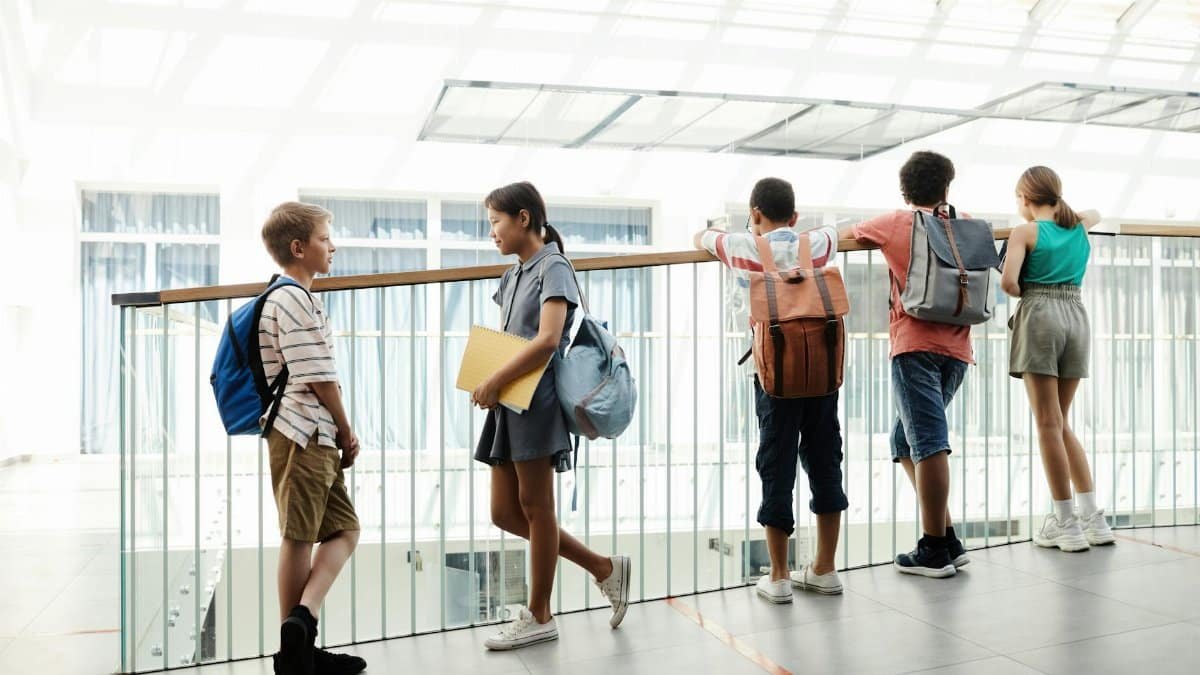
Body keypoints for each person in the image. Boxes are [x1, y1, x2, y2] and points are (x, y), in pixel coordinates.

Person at [472, 181, 630, 650]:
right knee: (505, 512)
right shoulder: (513, 274)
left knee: (538, 508)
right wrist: (487, 379)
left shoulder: (553, 266)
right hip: (508, 402)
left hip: (534, 400)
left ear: (524, 218)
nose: (493, 233)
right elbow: (509, 338)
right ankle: (605, 568)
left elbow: (546, 339)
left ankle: (540, 614)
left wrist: (496, 379)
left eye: (496, 223)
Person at [693, 177, 848, 602]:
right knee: (825, 460)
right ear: (795, 217)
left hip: (775, 378)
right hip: (821, 375)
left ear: (755, 214)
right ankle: (825, 568)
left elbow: (703, 237)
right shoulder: (817, 243)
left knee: (776, 466)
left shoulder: (744, 248)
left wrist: (741, 230)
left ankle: (778, 575)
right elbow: (842, 233)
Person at [839, 151, 972, 578]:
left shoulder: (896, 223)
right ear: (946, 188)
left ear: (904, 190)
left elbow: (844, 235)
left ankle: (933, 549)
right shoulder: (965, 222)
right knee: (903, 440)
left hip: (915, 346)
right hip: (959, 349)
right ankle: (947, 536)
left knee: (929, 441)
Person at [258, 202, 366, 675]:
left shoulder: (293, 296)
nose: (333, 246)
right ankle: (295, 655)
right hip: (304, 432)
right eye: (325, 238)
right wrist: (346, 430)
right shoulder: (292, 298)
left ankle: (301, 624)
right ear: (298, 247)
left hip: (307, 433)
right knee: (298, 536)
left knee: (345, 528)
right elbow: (320, 378)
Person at [1002, 165, 1113, 551]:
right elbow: (1094, 213)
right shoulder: (1079, 227)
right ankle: (1093, 517)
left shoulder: (1025, 232)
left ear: (1026, 199)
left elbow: (1009, 283)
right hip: (1076, 315)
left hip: (1041, 316)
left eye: (1018, 198)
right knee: (1062, 421)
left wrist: (1028, 286)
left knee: (1047, 423)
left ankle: (1065, 523)